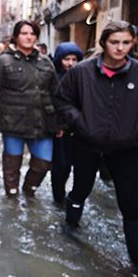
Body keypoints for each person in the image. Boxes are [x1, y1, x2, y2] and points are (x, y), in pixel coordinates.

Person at [56, 21, 138, 275]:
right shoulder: (81, 72)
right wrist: (80, 123)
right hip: (86, 144)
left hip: (125, 149)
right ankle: (70, 230)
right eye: (114, 42)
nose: (120, 48)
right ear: (103, 43)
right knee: (80, 189)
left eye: (126, 43)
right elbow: (63, 100)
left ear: (133, 43)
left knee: (131, 205)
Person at [0, 20, 62, 197]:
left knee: (43, 163)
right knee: (12, 165)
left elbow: (56, 93)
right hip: (13, 122)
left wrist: (59, 124)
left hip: (42, 121)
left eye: (32, 33)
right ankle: (11, 197)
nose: (28, 37)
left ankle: (29, 190)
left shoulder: (46, 62)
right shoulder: (3, 61)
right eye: (24, 33)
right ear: (16, 36)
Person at [50, 42, 83, 205]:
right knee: (61, 166)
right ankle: (58, 196)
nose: (70, 63)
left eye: (74, 59)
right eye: (66, 59)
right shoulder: (54, 77)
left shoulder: (83, 76)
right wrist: (58, 126)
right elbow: (51, 103)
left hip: (80, 130)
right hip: (61, 130)